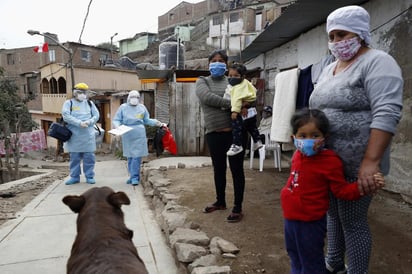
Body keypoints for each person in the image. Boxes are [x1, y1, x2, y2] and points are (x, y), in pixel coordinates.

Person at [309, 5, 403, 273]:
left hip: (358, 164)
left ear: (360, 33)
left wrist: (371, 162)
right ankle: (334, 263)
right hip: (327, 163)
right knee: (333, 215)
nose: (337, 42)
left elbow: (387, 113)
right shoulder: (330, 68)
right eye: (332, 37)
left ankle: (356, 270)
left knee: (353, 221)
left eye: (342, 34)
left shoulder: (378, 62)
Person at [281, 108, 384, 274]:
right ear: (294, 137)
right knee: (295, 258)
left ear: (325, 138)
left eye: (315, 135)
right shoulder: (297, 156)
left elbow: (342, 191)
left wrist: (366, 185)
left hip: (311, 223)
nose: (309, 141)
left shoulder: (330, 161)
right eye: (303, 136)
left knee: (312, 263)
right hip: (290, 220)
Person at [195, 49, 247, 223]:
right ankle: (220, 201)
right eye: (214, 60)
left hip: (235, 134)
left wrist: (238, 104)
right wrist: (234, 104)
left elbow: (247, 96)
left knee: (237, 170)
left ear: (226, 65)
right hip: (214, 134)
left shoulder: (233, 80)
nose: (217, 63)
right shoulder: (203, 81)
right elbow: (206, 98)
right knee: (219, 170)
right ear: (209, 64)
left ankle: (237, 207)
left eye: (221, 61)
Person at [112, 90, 163, 186]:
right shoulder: (123, 107)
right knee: (130, 156)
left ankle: (135, 177)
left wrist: (156, 122)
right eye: (132, 97)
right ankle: (132, 176)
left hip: (139, 133)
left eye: (136, 97)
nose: (134, 99)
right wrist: (117, 126)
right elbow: (116, 119)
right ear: (129, 98)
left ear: (139, 98)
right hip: (127, 133)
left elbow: (146, 120)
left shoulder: (142, 107)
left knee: (137, 156)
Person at [62, 82, 100, 185]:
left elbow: (96, 115)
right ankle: (74, 177)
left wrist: (90, 122)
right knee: (75, 157)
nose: (83, 95)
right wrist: (79, 123)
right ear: (75, 93)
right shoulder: (68, 103)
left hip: (88, 134)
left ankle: (89, 176)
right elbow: (66, 116)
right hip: (74, 135)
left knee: (89, 157)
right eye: (80, 92)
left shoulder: (89, 103)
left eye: (85, 93)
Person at [225, 62, 263, 156]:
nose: (232, 77)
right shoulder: (247, 83)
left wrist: (235, 111)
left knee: (236, 128)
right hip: (250, 111)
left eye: (236, 75)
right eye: (230, 75)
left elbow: (237, 100)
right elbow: (254, 94)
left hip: (240, 112)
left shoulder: (236, 87)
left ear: (242, 76)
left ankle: (237, 145)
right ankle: (257, 141)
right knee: (252, 127)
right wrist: (247, 104)